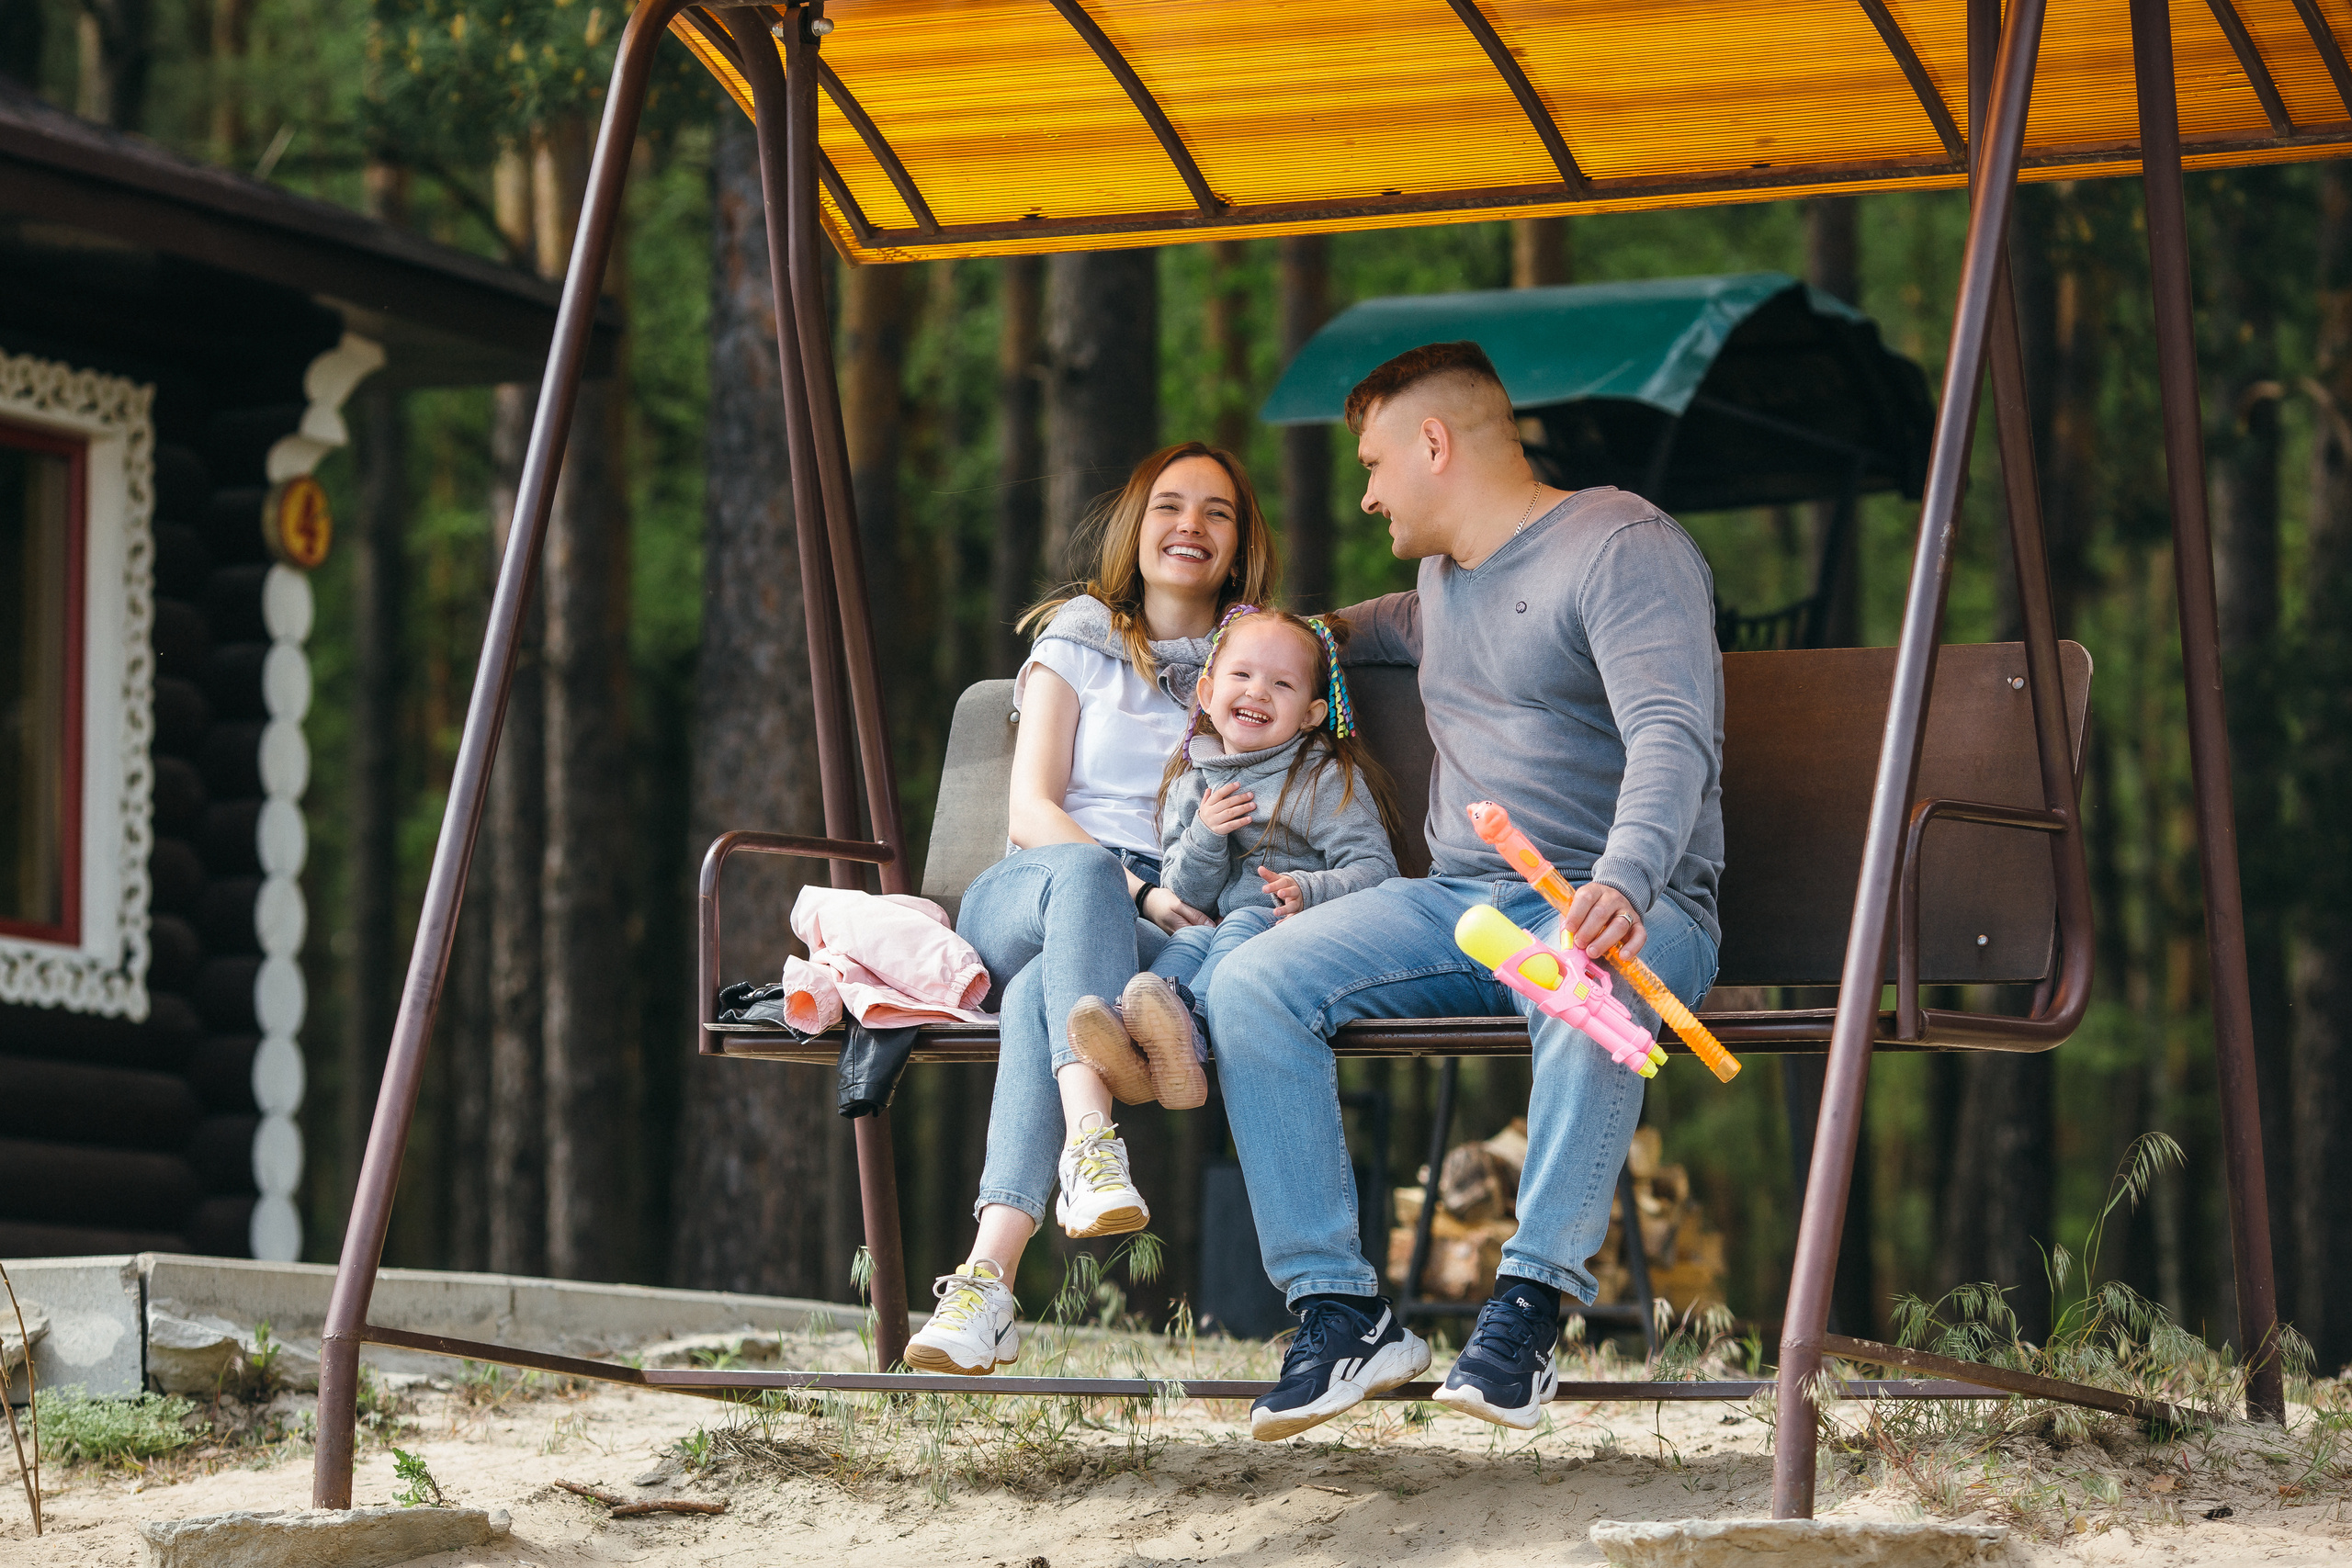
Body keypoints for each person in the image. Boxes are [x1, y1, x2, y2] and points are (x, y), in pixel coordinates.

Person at [1205, 342, 1724, 1439]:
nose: (1366, 494)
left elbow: (1670, 734)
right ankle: (1339, 1313)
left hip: (1625, 909)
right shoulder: (1443, 584)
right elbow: (1359, 628)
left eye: (1373, 463)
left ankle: (1526, 1315)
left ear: (1433, 444)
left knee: (1581, 980)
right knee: (1249, 983)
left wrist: (1624, 878)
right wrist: (1271, 643)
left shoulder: (1620, 546)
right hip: (1460, 906)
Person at [902, 441, 1279, 1378]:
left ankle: (986, 1285)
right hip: (1035, 885)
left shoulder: (1251, 665)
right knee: (1081, 879)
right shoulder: (1080, 635)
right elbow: (1031, 809)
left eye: (1218, 513)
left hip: (1138, 935)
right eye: (1170, 505)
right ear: (1136, 529)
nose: (1191, 525)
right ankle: (1089, 1143)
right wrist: (1139, 887)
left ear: (1240, 544)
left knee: (1046, 993)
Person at [1066, 605, 1404, 1102]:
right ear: (1206, 693)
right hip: (1217, 931)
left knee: (1242, 922)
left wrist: (1310, 890)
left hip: (1292, 936)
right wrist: (1206, 835)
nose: (1258, 691)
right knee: (1189, 939)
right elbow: (1183, 896)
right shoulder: (1192, 783)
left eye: (1282, 684)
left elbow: (1377, 869)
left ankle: (1192, 1029)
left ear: (1311, 715)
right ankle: (1134, 1039)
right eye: (1242, 674)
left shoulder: (1319, 779)